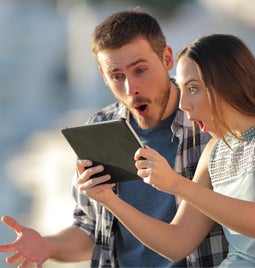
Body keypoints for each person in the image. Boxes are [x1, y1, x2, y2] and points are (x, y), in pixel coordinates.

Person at [0, 9, 227, 268]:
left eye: (140, 70)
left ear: (166, 58)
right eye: (117, 76)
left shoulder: (210, 119)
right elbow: (90, 229)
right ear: (103, 76)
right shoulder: (98, 128)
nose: (131, 89)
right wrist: (48, 245)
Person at [80, 34, 255, 267]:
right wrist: (108, 200)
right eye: (182, 89)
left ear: (229, 83)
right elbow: (177, 243)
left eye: (193, 88)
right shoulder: (214, 151)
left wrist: (176, 184)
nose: (183, 104)